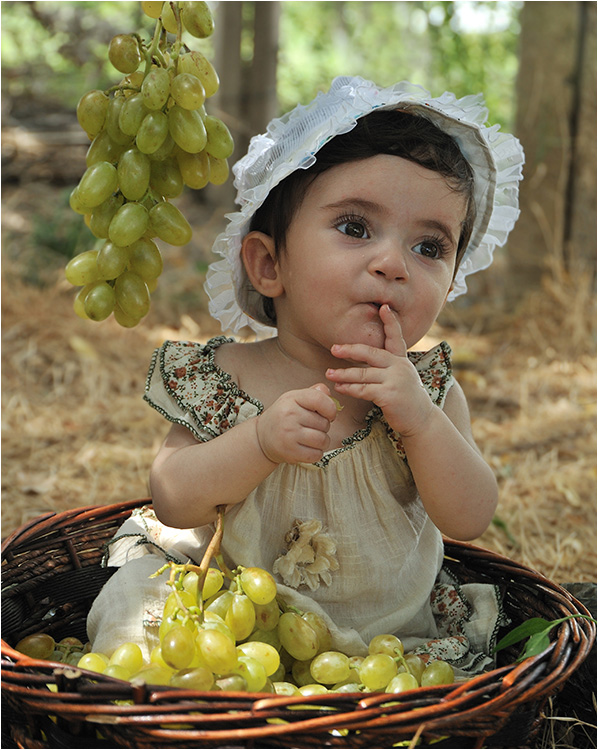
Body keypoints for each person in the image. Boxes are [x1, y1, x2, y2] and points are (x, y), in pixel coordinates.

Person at [88, 77, 524, 672]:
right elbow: (173, 497)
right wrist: (259, 441)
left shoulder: (428, 393)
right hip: (229, 627)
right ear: (270, 265)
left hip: (381, 646)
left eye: (429, 247)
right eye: (355, 228)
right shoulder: (226, 377)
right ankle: (169, 712)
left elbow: (469, 517)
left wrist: (419, 420)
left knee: (428, 687)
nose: (392, 264)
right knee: (135, 600)